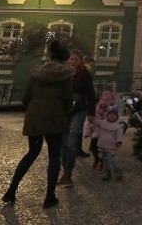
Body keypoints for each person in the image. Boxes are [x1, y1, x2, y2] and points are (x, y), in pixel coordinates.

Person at [3, 40, 74, 209]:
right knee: (54, 157)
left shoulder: (37, 73)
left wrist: (35, 108)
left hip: (34, 119)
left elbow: (25, 98)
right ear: (65, 59)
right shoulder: (65, 75)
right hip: (54, 119)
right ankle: (49, 197)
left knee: (32, 153)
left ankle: (11, 191)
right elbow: (68, 100)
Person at [59, 48, 96, 187]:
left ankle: (69, 173)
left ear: (80, 61)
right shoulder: (63, 73)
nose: (73, 62)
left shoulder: (85, 74)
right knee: (62, 142)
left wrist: (92, 113)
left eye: (76, 59)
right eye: (71, 59)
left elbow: (91, 94)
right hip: (64, 111)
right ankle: (64, 171)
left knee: (71, 140)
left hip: (79, 110)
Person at [94, 105, 124, 181]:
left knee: (112, 160)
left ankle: (118, 171)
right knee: (105, 162)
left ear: (117, 116)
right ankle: (107, 173)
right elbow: (95, 122)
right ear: (107, 115)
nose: (112, 116)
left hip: (111, 147)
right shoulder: (103, 123)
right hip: (103, 147)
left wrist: (119, 141)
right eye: (110, 114)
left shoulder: (118, 126)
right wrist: (93, 113)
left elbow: (119, 134)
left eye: (115, 115)